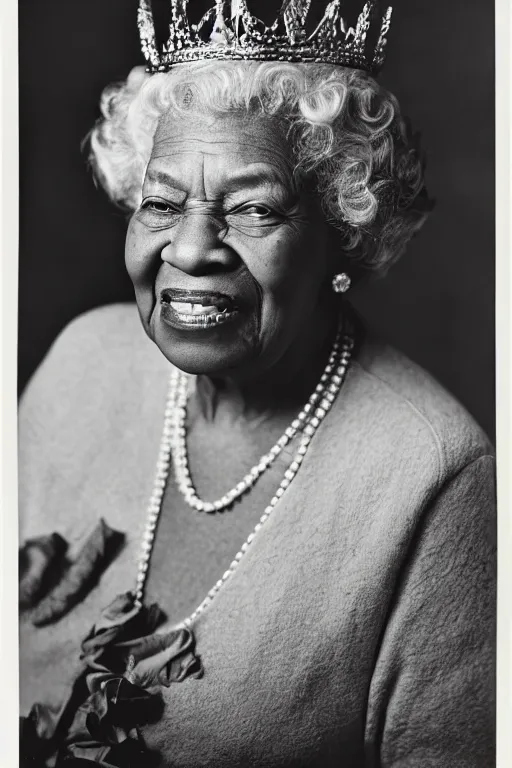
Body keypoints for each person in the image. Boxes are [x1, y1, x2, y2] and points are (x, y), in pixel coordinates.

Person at [19, 2, 495, 766]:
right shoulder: (83, 362)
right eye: (163, 202)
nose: (192, 248)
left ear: (342, 231)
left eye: (253, 209)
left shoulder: (436, 478)